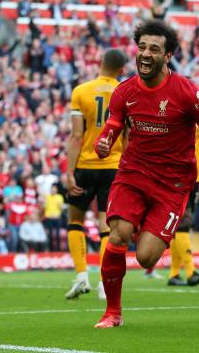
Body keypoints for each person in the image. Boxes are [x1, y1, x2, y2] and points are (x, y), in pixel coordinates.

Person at [93, 20, 199, 328]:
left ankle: (141, 225)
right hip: (133, 174)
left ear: (168, 55)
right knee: (117, 237)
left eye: (154, 49)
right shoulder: (124, 91)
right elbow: (112, 128)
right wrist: (103, 143)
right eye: (142, 47)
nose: (145, 54)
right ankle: (112, 313)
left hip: (172, 185)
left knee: (146, 257)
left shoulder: (186, 92)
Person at [65, 48, 128, 301]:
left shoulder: (81, 91)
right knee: (107, 226)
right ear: (122, 70)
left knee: (75, 222)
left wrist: (70, 172)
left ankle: (82, 277)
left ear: (100, 63)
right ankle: (104, 282)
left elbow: (77, 136)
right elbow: (128, 137)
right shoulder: (126, 93)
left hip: (86, 164)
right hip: (113, 166)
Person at [167, 127, 199, 286]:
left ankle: (174, 274)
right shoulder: (172, 114)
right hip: (176, 176)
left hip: (194, 179)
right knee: (183, 222)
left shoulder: (198, 119)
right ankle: (190, 272)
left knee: (180, 226)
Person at [43, 185, 64, 251]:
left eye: (54, 189)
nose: (53, 190)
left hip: (57, 217)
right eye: (52, 189)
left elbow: (61, 208)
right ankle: (50, 249)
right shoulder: (47, 197)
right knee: (50, 234)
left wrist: (58, 213)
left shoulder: (59, 197)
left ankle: (58, 249)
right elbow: (44, 207)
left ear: (56, 190)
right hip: (49, 217)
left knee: (57, 234)